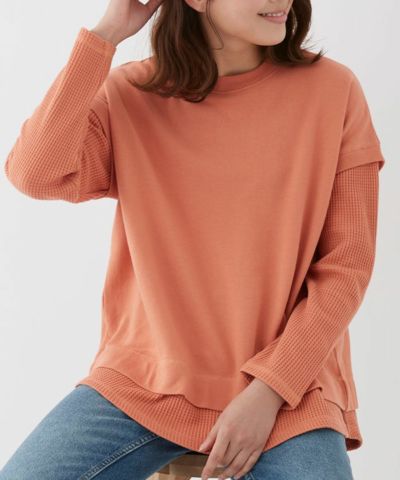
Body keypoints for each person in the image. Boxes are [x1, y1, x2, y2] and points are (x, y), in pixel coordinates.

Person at [1, 0, 385, 479]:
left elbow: (347, 267)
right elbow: (35, 174)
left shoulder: (333, 90)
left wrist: (269, 390)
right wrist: (106, 35)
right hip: (146, 381)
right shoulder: (133, 94)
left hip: (292, 390)